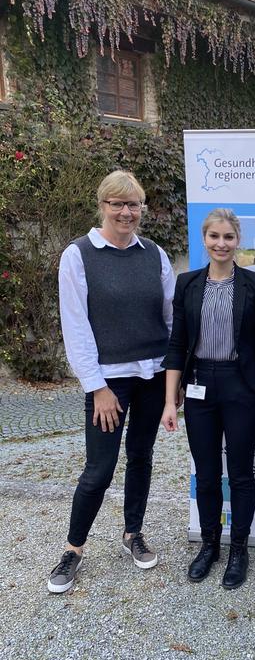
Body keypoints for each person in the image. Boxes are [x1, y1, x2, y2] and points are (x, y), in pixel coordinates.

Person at [48, 170, 175, 593]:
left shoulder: (154, 254)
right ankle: (73, 548)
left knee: (141, 456)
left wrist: (173, 379)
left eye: (133, 204)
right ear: (102, 206)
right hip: (110, 383)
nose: (126, 211)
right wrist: (96, 386)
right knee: (99, 469)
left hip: (153, 376)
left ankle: (132, 534)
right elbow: (76, 325)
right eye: (116, 204)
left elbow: (171, 317)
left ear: (141, 208)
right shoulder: (79, 255)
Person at [161, 208, 255, 590]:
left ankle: (238, 549)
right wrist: (168, 400)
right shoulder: (187, 284)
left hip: (240, 387)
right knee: (207, 474)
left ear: (237, 240)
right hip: (198, 388)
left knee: (242, 474)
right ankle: (209, 544)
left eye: (228, 237)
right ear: (204, 239)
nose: (221, 244)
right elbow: (177, 345)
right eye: (214, 236)